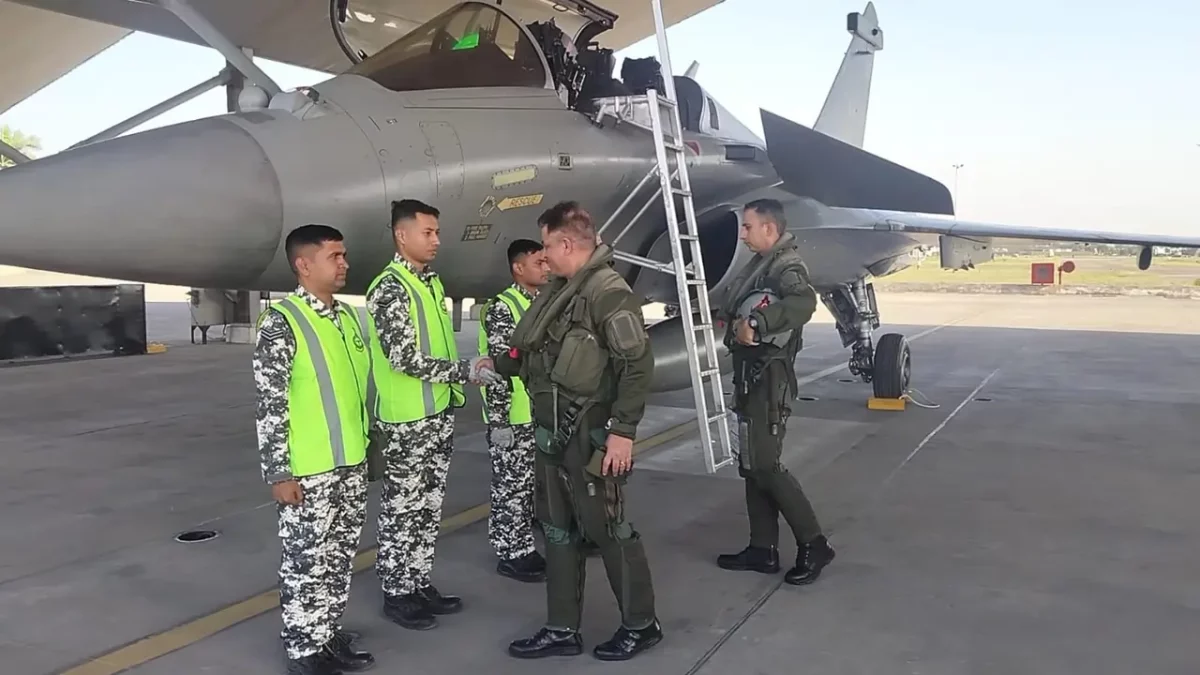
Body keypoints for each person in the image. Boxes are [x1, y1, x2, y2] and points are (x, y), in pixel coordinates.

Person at [497, 200, 662, 661]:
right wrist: (505, 364)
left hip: (590, 433)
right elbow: (538, 351)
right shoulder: (563, 290)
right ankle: (561, 627)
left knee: (609, 530)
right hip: (552, 433)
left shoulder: (606, 293)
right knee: (557, 531)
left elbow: (636, 365)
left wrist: (623, 431)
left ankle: (641, 623)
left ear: (567, 243)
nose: (543, 255)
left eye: (548, 245)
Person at [364, 198, 503, 631]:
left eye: (437, 232)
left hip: (436, 414)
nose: (436, 240)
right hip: (406, 422)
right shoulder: (389, 289)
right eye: (428, 232)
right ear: (401, 235)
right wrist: (466, 372)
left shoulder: (429, 284)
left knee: (427, 506)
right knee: (402, 508)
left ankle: (418, 581)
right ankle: (397, 591)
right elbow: (404, 358)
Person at [252, 224, 376, 675]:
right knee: (307, 562)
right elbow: (271, 402)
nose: (344, 264)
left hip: (348, 464)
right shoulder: (283, 322)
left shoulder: (345, 318)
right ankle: (304, 650)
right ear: (304, 265)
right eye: (334, 256)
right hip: (309, 470)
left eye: (344, 255)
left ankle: (325, 634)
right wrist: (279, 472)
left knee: (339, 557)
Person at [715, 198, 835, 585]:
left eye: (748, 227)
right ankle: (762, 548)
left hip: (770, 379)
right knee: (751, 465)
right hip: (751, 376)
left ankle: (814, 544)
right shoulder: (761, 264)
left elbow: (803, 303)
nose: (743, 234)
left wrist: (757, 321)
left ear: (769, 228)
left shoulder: (786, 265)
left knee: (766, 466)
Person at [478, 239, 551, 582]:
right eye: (539, 263)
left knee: (530, 486)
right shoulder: (503, 308)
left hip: (537, 413)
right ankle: (512, 551)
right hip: (513, 416)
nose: (546, 268)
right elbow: (498, 368)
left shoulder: (541, 303)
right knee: (511, 487)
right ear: (519, 268)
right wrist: (499, 421)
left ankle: (525, 541)